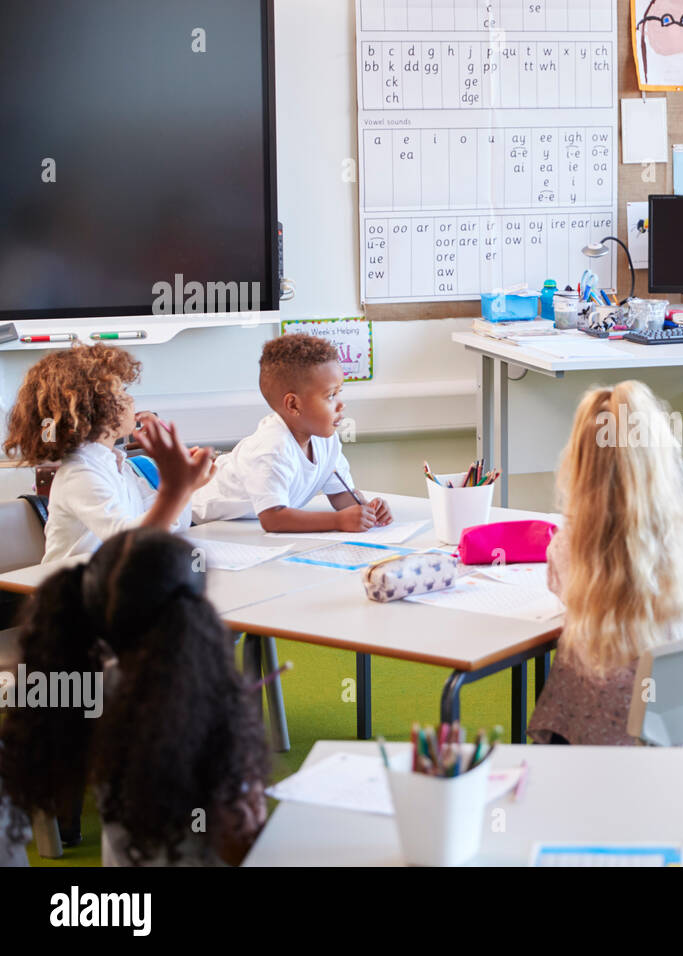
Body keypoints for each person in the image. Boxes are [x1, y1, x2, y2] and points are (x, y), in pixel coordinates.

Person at [0, 528, 270, 866]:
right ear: (198, 616)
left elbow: (131, 578)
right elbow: (240, 845)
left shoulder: (85, 684)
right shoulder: (203, 709)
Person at [528, 381, 683, 745]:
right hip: (673, 738)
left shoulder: (567, 546)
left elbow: (560, 589)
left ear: (580, 466)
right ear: (658, 461)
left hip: (585, 740)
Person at [2, 344, 215, 565]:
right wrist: (178, 487)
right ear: (91, 411)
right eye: (122, 393)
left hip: (112, 583)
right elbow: (127, 543)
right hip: (73, 592)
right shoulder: (80, 473)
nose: (131, 400)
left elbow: (170, 524)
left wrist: (186, 486)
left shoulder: (118, 463)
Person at [190, 334, 392, 531]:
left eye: (340, 392)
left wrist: (365, 509)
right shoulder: (271, 448)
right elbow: (274, 519)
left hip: (241, 526)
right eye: (331, 395)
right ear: (293, 404)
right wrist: (338, 521)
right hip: (195, 521)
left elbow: (340, 493)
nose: (341, 405)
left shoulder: (326, 439)